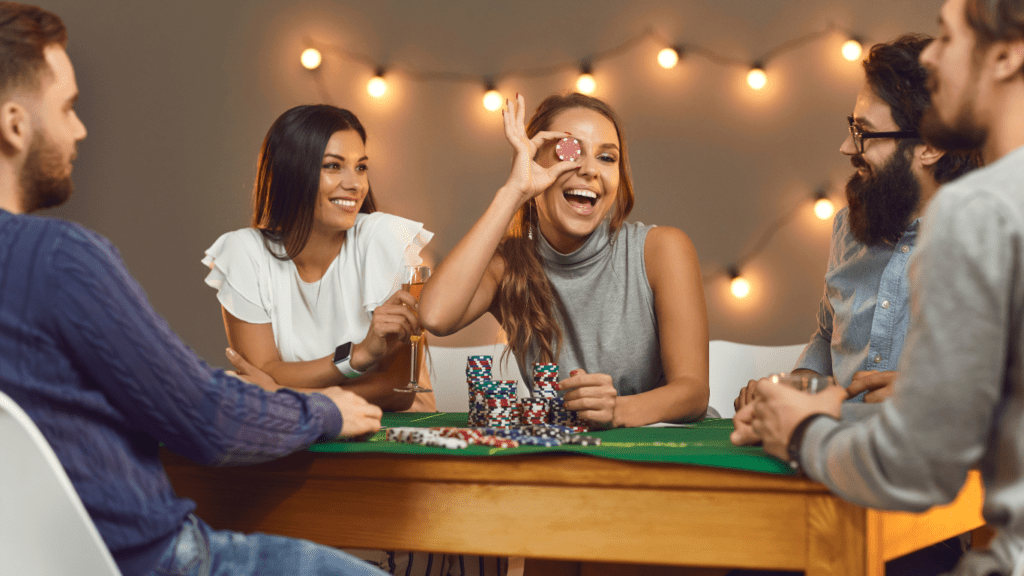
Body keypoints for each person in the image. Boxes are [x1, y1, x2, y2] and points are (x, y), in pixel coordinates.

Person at [0, 4, 387, 576]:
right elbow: (207, 420)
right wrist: (322, 411)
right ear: (13, 124)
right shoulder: (58, 260)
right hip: (151, 562)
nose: (81, 129)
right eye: (68, 108)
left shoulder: (382, 248)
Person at [732, 0, 1024, 575]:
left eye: (948, 36)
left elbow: (913, 466)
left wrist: (801, 431)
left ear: (1007, 55)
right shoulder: (859, 226)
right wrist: (804, 387)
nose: (934, 57)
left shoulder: (976, 214)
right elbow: (828, 330)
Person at [420, 92, 709, 427]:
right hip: (564, 456)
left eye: (606, 158)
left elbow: (693, 392)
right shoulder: (508, 265)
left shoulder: (662, 249)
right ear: (533, 161)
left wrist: (618, 411)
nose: (589, 169)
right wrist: (514, 191)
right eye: (568, 151)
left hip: (661, 451)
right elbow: (435, 316)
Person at [734, 35, 980, 422]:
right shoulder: (848, 227)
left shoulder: (997, 239)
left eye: (864, 132)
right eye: (852, 126)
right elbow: (828, 335)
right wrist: (799, 384)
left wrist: (929, 394)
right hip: (837, 452)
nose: (847, 147)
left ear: (931, 146)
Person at [202, 104, 435, 413]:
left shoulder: (385, 238)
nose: (355, 184)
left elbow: (396, 389)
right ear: (290, 171)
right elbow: (263, 372)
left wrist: (290, 395)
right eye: (333, 166)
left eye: (361, 167)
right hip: (302, 435)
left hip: (397, 438)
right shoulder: (244, 253)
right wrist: (358, 357)